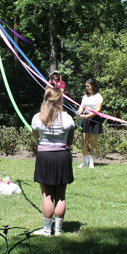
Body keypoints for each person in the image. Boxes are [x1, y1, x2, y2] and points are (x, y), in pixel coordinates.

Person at [31, 88, 75, 237]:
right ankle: (58, 229)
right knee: (61, 195)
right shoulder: (67, 118)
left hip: (45, 157)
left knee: (47, 195)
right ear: (60, 101)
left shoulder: (38, 117)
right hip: (62, 155)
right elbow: (70, 139)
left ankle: (46, 230)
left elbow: (36, 136)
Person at [77, 79, 103, 168]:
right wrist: (79, 112)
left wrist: (87, 116)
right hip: (85, 119)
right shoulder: (85, 96)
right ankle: (85, 162)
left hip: (94, 120)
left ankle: (92, 163)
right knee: (84, 142)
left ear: (93, 86)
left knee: (93, 143)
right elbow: (82, 107)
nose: (87, 88)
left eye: (88, 86)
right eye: (86, 86)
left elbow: (98, 110)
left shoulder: (98, 96)